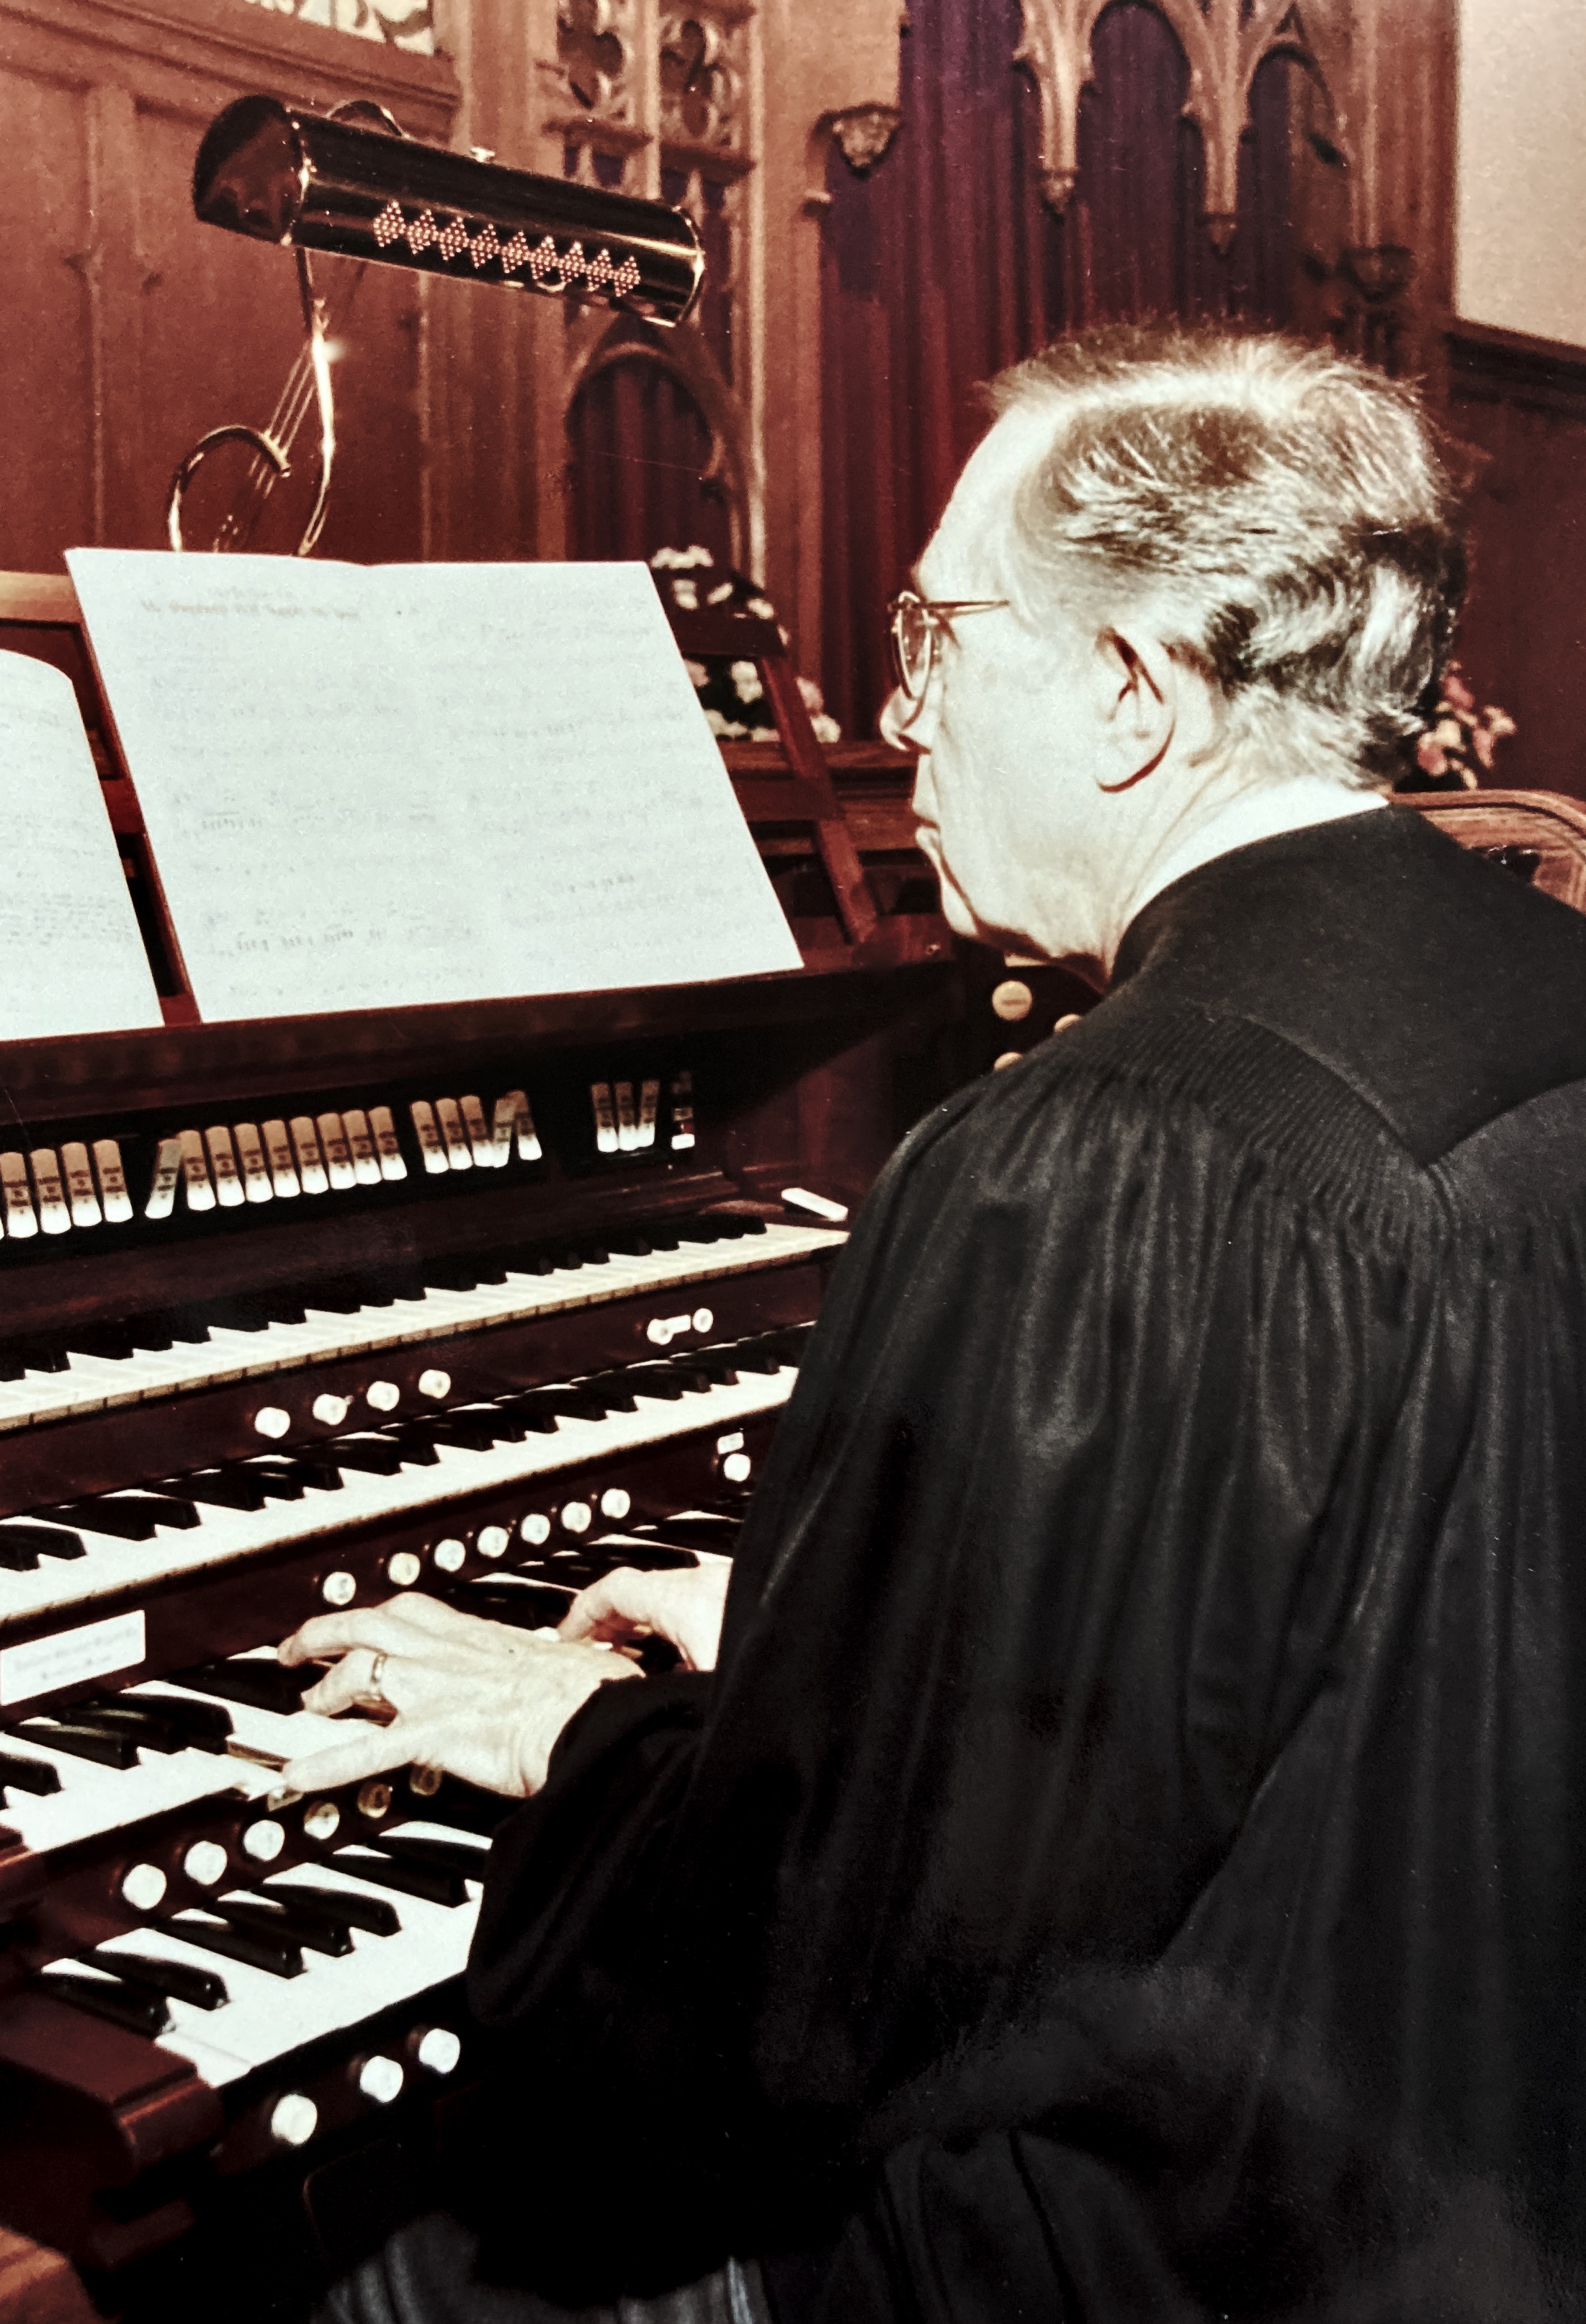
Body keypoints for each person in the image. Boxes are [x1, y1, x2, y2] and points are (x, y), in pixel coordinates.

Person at [278, 325, 1586, 2323]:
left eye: (934, 635)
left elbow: (827, 1989)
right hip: (1482, 2159)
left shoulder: (1102, 1146)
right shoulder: (1536, 984)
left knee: (388, 2267)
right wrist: (842, 1633)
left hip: (1167, 2252)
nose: (902, 715)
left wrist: (589, 1735)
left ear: (1128, 692)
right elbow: (1348, 1603)